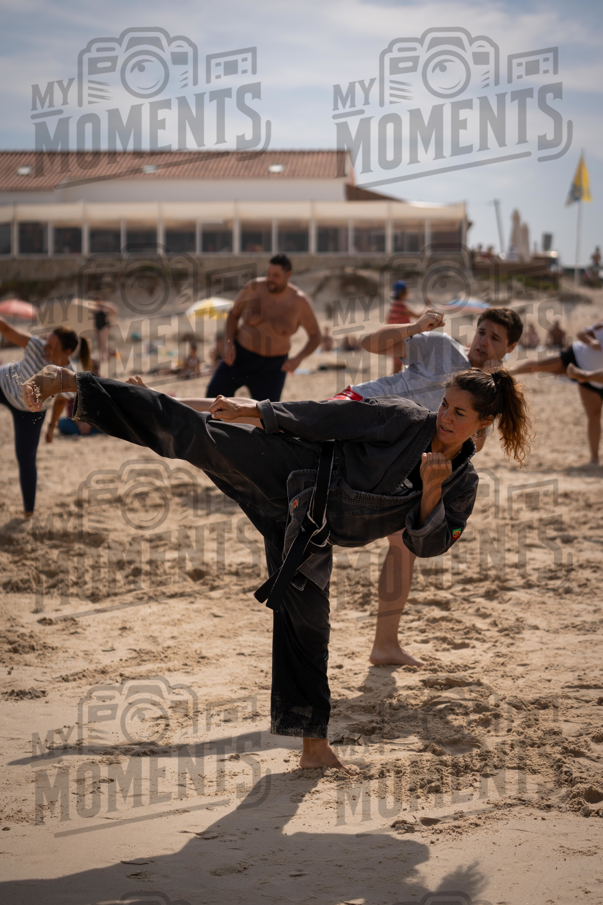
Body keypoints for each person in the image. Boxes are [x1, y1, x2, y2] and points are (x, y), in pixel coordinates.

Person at [23, 363, 532, 771]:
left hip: (309, 528)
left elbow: (430, 544)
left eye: (459, 413)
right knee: (195, 435)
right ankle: (76, 383)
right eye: (445, 404)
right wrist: (257, 411)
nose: (445, 417)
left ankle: (313, 746)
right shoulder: (405, 419)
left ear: (483, 423)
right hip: (292, 470)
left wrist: (432, 490)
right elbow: (327, 417)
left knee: (308, 625)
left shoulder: (462, 485)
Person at [335, 305, 524, 666]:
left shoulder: (490, 392)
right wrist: (415, 326)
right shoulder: (441, 346)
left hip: (398, 463)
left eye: (495, 338)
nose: (483, 341)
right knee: (270, 427)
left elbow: (471, 447)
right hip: (357, 414)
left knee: (404, 546)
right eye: (481, 331)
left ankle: (385, 645)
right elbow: (369, 343)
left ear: (510, 347)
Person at [206, 254, 321, 402]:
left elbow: (315, 335)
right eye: (268, 274)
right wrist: (228, 344)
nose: (270, 279)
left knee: (265, 413)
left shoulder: (299, 302)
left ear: (288, 275)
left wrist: (299, 358)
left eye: (276, 275)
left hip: (272, 367)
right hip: (239, 357)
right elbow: (233, 315)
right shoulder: (253, 288)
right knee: (212, 400)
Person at [0, 321, 81, 517]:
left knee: (26, 458)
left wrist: (51, 428)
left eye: (51, 346)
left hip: (30, 412)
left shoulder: (68, 376)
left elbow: (60, 402)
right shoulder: (36, 345)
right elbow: (7, 329)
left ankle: (28, 512)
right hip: (3, 385)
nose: (46, 348)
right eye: (47, 342)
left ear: (67, 351)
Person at [513, 320, 603, 464]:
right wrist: (592, 342)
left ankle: (594, 458)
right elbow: (581, 334)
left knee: (595, 415)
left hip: (593, 376)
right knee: (541, 365)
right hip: (578, 359)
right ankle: (508, 372)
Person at [386, 280, 418, 374]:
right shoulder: (402, 307)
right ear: (403, 293)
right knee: (401, 368)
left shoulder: (393, 306)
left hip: (394, 339)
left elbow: (387, 320)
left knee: (397, 367)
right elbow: (418, 316)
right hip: (402, 340)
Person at [93, 298, 118, 370]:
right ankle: (102, 356)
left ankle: (105, 357)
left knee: (103, 342)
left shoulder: (106, 306)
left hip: (104, 327)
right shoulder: (96, 307)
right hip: (97, 327)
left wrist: (110, 317)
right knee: (99, 343)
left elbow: (115, 311)